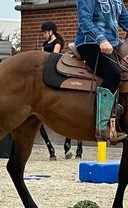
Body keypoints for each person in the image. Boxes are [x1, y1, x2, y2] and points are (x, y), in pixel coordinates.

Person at [75, 0, 128, 144]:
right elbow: (84, 21)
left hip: (113, 44)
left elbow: (126, 21)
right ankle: (101, 126)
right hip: (90, 43)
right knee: (113, 73)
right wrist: (101, 39)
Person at [41, 21, 83, 159]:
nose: (44, 34)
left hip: (54, 67)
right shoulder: (44, 44)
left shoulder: (57, 43)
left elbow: (52, 57)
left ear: (51, 31)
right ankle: (51, 147)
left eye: (45, 32)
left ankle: (75, 144)